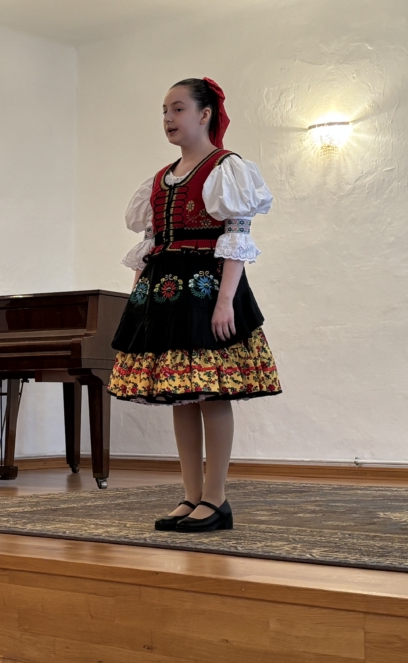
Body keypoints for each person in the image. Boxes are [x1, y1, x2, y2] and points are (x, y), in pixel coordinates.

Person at [108, 78, 281, 533]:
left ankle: (216, 499)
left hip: (206, 290)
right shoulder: (159, 180)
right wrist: (137, 302)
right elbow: (149, 246)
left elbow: (237, 238)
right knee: (181, 396)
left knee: (212, 393)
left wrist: (225, 302)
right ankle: (191, 495)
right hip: (163, 294)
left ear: (205, 114)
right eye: (164, 110)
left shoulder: (226, 168)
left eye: (178, 108)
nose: (168, 118)